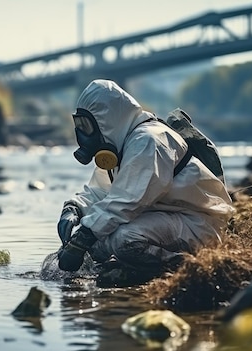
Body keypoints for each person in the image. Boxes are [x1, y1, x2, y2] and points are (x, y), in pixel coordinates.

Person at [57, 79, 235, 288]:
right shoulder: (122, 144)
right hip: (167, 218)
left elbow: (125, 201)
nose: (82, 133)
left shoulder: (149, 141)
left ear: (107, 119)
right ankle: (138, 267)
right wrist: (74, 208)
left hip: (199, 224)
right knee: (96, 248)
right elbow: (100, 191)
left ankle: (187, 266)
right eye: (79, 125)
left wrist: (82, 238)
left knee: (125, 239)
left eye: (86, 125)